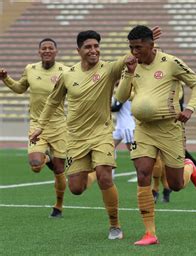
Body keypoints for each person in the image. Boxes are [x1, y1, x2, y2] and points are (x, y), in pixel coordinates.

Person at [30, 30, 134, 240]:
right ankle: (93, 173)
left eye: (96, 46)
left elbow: (131, 57)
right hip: (75, 137)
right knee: (76, 188)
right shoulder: (68, 75)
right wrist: (40, 125)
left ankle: (115, 225)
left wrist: (144, 41)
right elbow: (53, 102)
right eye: (88, 47)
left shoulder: (108, 68)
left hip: (102, 133)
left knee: (106, 176)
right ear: (78, 50)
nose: (93, 50)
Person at [115, 25, 196, 245]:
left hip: (169, 129)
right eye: (131, 47)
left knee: (175, 184)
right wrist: (127, 72)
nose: (135, 52)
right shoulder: (132, 66)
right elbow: (121, 96)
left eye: (138, 47)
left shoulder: (170, 63)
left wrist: (190, 109)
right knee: (143, 173)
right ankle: (149, 233)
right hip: (143, 129)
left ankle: (189, 167)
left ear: (151, 45)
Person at [0, 38, 68, 218]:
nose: (47, 50)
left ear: (56, 51)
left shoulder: (65, 71)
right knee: (36, 165)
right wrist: (5, 78)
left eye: (50, 48)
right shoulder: (30, 69)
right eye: (43, 48)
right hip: (37, 125)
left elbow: (77, 93)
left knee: (60, 171)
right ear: (39, 52)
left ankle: (58, 206)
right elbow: (20, 88)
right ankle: (47, 158)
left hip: (59, 126)